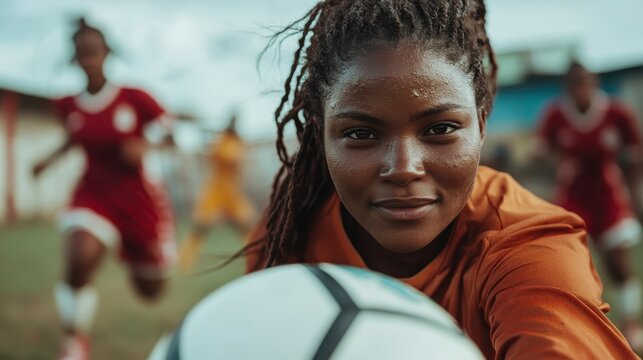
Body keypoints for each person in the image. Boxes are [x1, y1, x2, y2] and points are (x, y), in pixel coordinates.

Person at [239, 1, 639, 358]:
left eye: (440, 128)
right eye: (361, 134)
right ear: (320, 132)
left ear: (481, 125)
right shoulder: (291, 227)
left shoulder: (527, 247)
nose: (403, 168)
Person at [32, 18, 176, 360]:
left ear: (106, 53)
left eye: (94, 51)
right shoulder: (67, 105)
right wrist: (47, 160)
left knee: (151, 291)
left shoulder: (135, 98)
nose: (89, 59)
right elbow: (73, 137)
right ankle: (74, 342)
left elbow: (169, 133)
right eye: (82, 53)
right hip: (93, 194)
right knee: (78, 258)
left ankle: (129, 250)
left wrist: (145, 145)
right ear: (75, 59)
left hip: (138, 200)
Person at [536, 62, 643, 351]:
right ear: (567, 89)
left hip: (609, 195)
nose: (581, 90)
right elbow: (541, 154)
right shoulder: (556, 115)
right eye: (574, 85)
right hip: (573, 197)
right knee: (573, 265)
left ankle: (632, 323)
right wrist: (556, 163)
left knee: (619, 263)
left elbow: (634, 158)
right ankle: (582, 328)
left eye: (585, 83)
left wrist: (636, 197)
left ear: (594, 84)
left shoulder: (617, 113)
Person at [178, 114, 256, 270]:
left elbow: (241, 163)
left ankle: (256, 255)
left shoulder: (237, 142)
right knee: (200, 226)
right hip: (216, 190)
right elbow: (228, 157)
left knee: (247, 225)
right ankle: (184, 261)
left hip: (232, 192)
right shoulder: (222, 142)